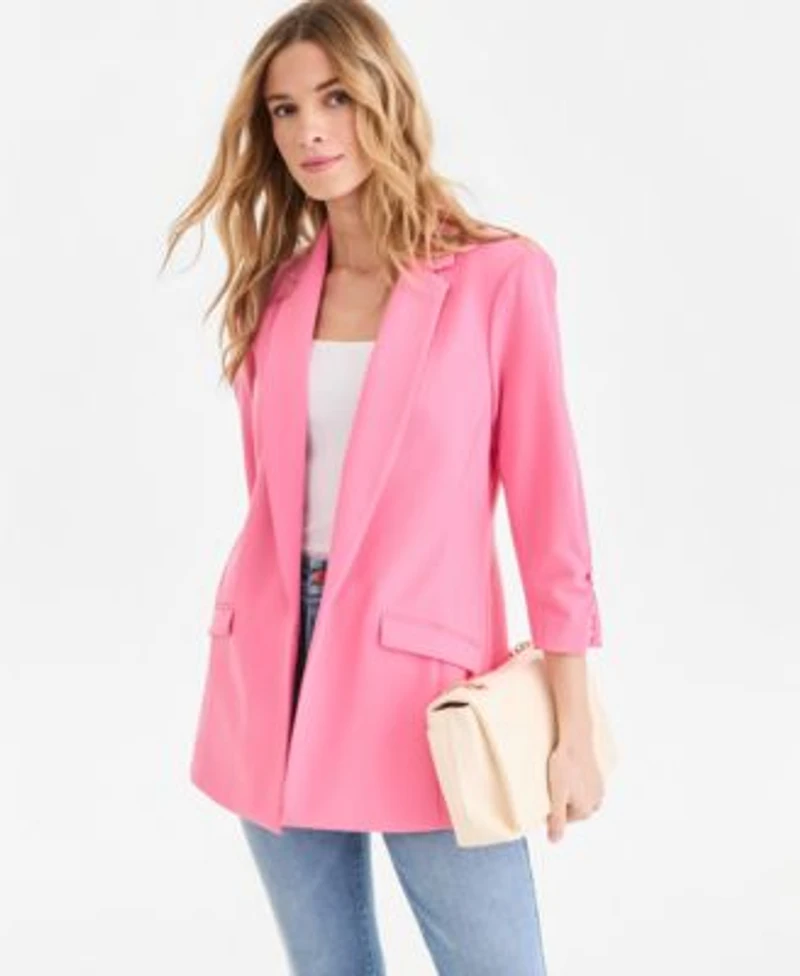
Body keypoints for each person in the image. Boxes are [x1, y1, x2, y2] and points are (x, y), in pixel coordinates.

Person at [162, 2, 605, 973]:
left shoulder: (497, 277)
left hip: (426, 682)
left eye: (334, 98)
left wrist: (573, 725)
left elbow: (549, 511)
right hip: (269, 663)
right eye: (284, 110)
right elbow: (275, 501)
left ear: (385, 98)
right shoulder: (274, 295)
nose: (309, 130)